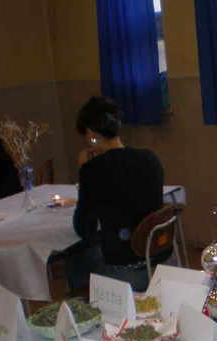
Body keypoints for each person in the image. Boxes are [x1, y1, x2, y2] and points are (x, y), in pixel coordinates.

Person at [69, 96, 165, 292]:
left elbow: (83, 227)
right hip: (158, 257)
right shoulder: (150, 158)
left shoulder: (92, 170)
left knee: (74, 254)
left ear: (91, 134)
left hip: (122, 268)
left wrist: (83, 173)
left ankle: (87, 304)